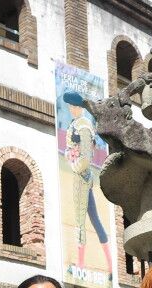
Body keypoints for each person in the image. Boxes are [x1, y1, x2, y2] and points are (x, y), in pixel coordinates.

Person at [62, 91, 112, 272]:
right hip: (84, 176)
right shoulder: (78, 123)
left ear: (78, 107)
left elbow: (86, 155)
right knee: (94, 219)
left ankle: (81, 266)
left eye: (72, 106)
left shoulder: (83, 125)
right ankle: (110, 265)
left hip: (81, 177)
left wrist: (75, 165)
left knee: (80, 221)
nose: (70, 109)